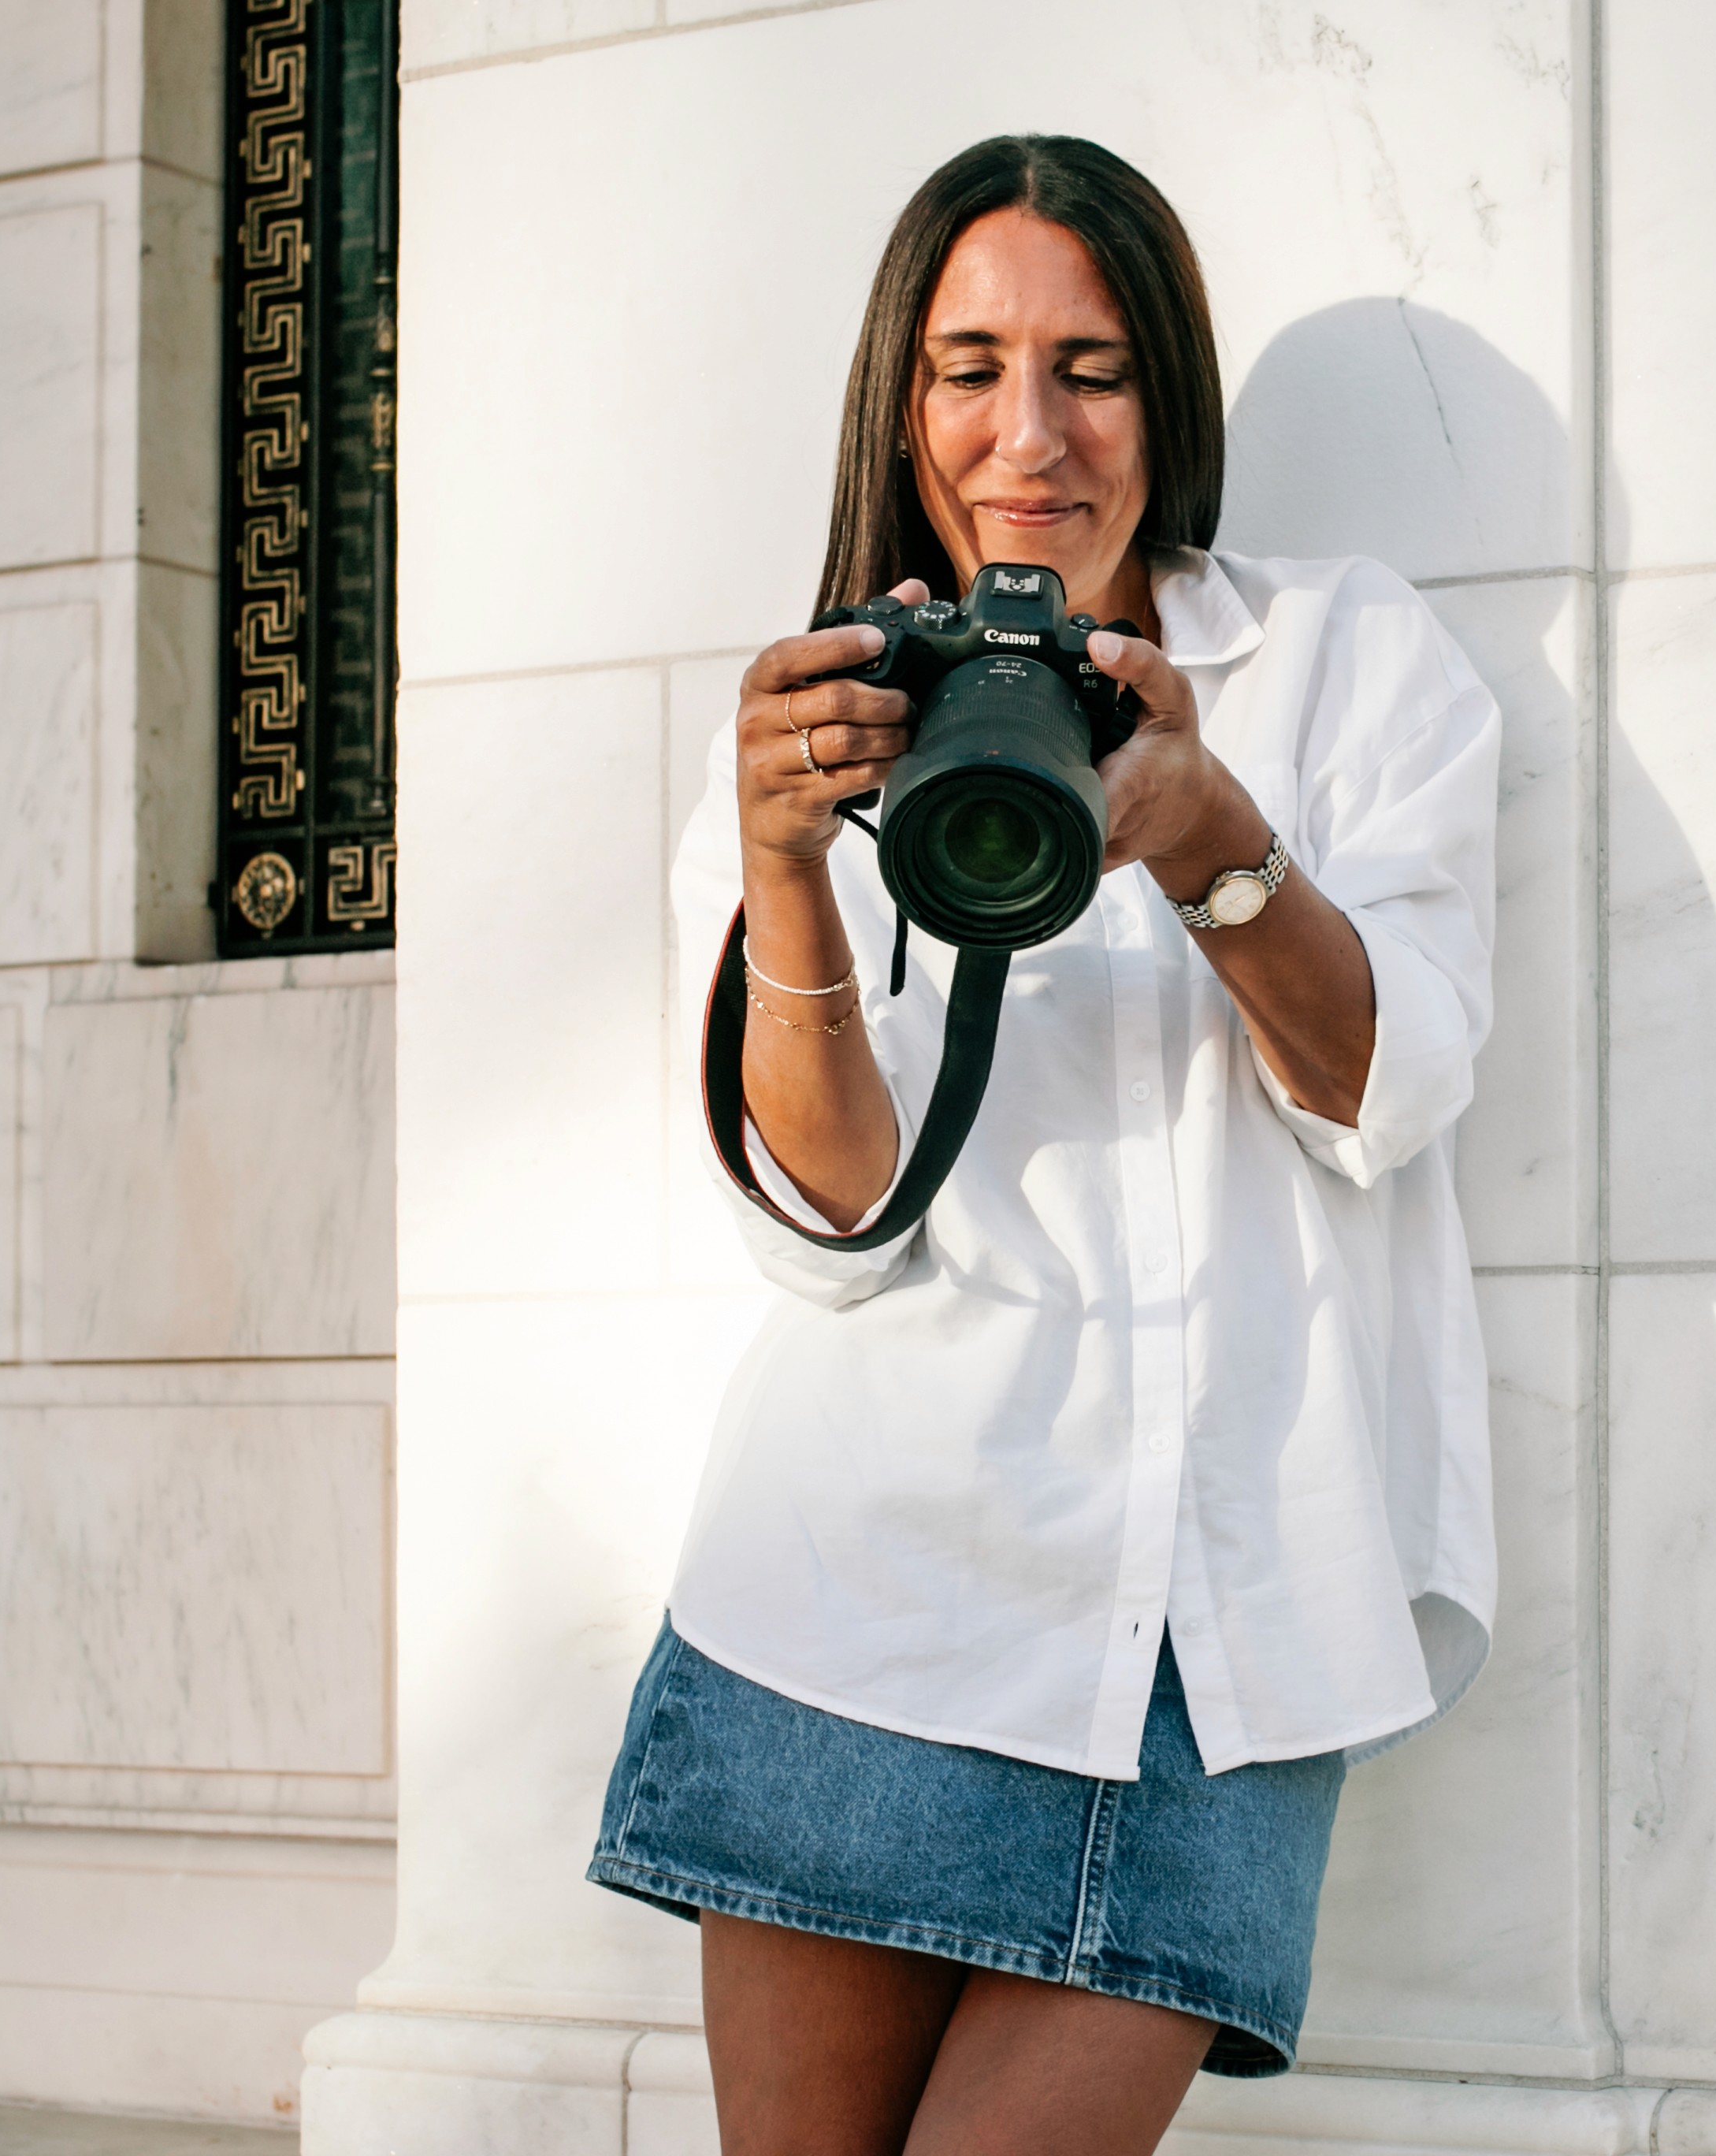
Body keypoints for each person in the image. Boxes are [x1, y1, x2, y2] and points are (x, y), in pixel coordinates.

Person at [588, 133, 1500, 2156]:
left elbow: (1396, 1087)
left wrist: (1208, 838)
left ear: (1165, 394)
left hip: (1226, 1631)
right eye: (971, 366)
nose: (1032, 435)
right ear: (900, 408)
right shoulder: (823, 725)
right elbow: (830, 1227)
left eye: (1091, 369)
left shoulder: (1343, 666)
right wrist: (784, 876)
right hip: (860, 1603)